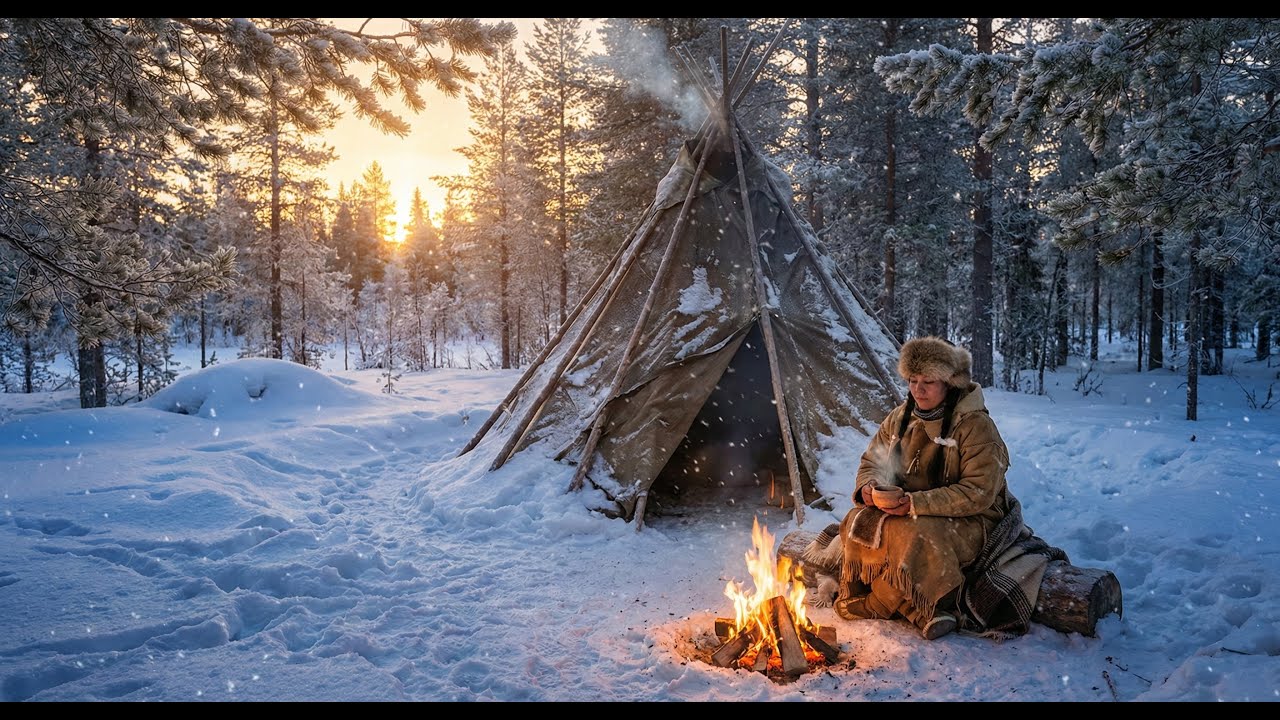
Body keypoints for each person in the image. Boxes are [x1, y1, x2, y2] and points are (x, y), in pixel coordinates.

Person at [831, 336, 1015, 640]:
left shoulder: (975, 427)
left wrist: (915, 504)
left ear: (949, 383)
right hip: (908, 509)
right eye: (913, 380)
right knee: (857, 519)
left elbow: (978, 492)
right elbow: (872, 462)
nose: (919, 389)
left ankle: (924, 604)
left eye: (928, 381)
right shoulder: (901, 418)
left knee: (915, 534)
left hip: (973, 519)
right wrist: (868, 487)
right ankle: (908, 604)